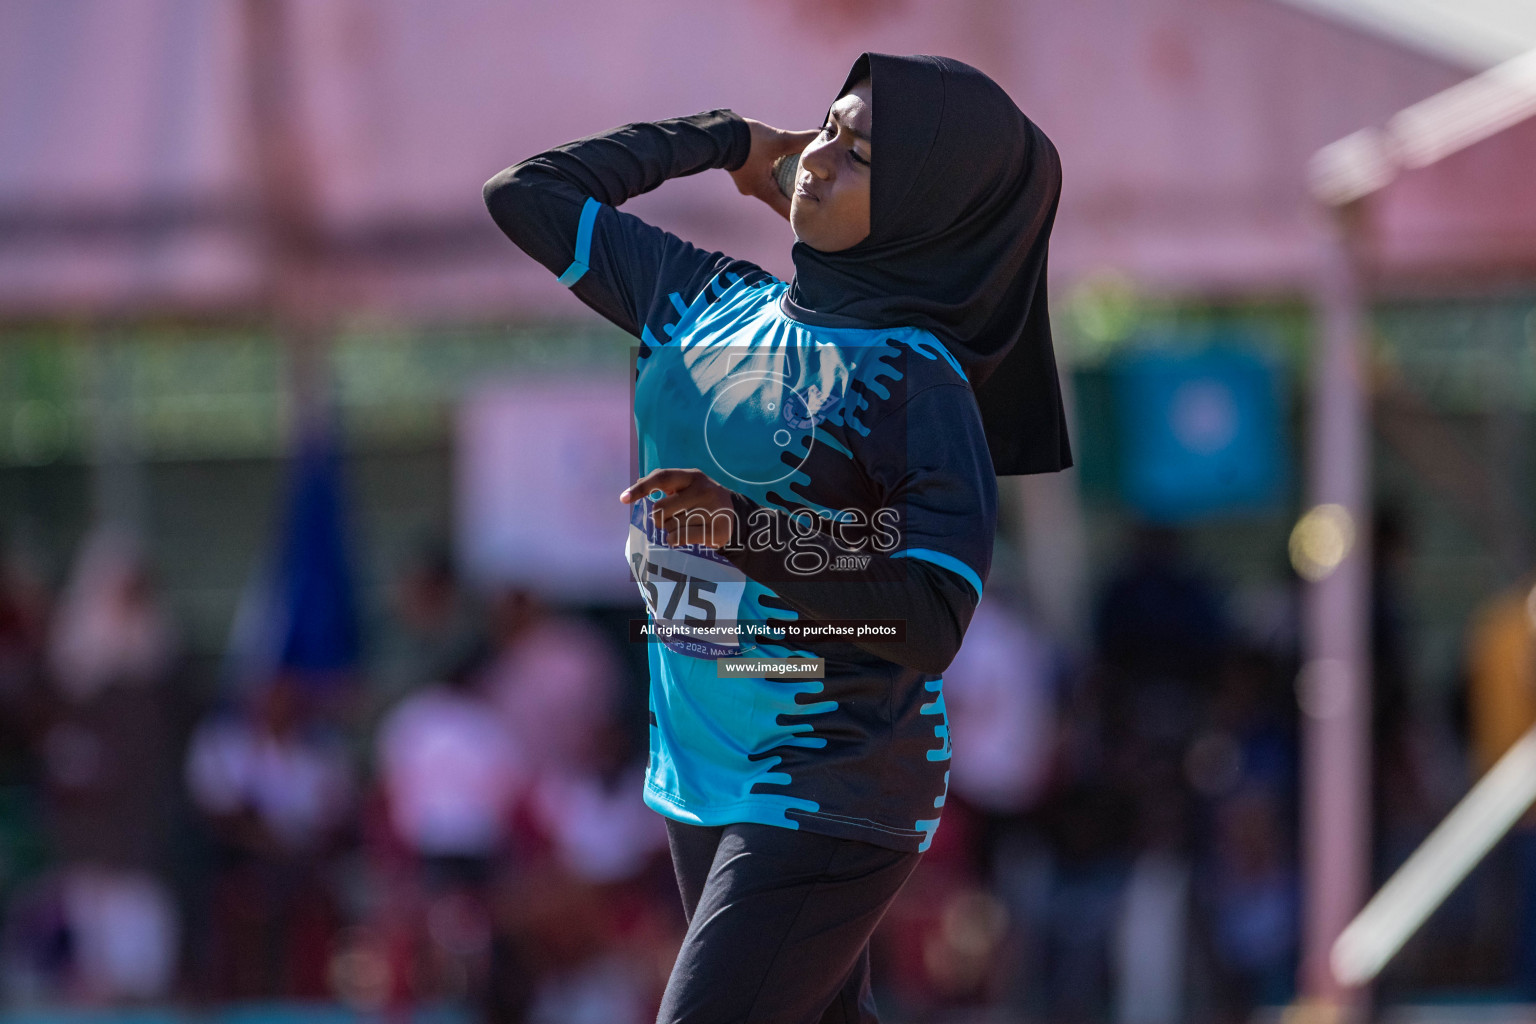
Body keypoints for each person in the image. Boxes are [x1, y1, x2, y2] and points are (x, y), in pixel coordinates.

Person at [484, 51, 1070, 1024]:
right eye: (831, 126)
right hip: (697, 765)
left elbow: (928, 616)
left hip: (829, 780)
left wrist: (745, 531)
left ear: (922, 207)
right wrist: (723, 139)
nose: (825, 155)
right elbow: (529, 195)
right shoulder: (698, 294)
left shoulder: (915, 380)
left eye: (863, 154)